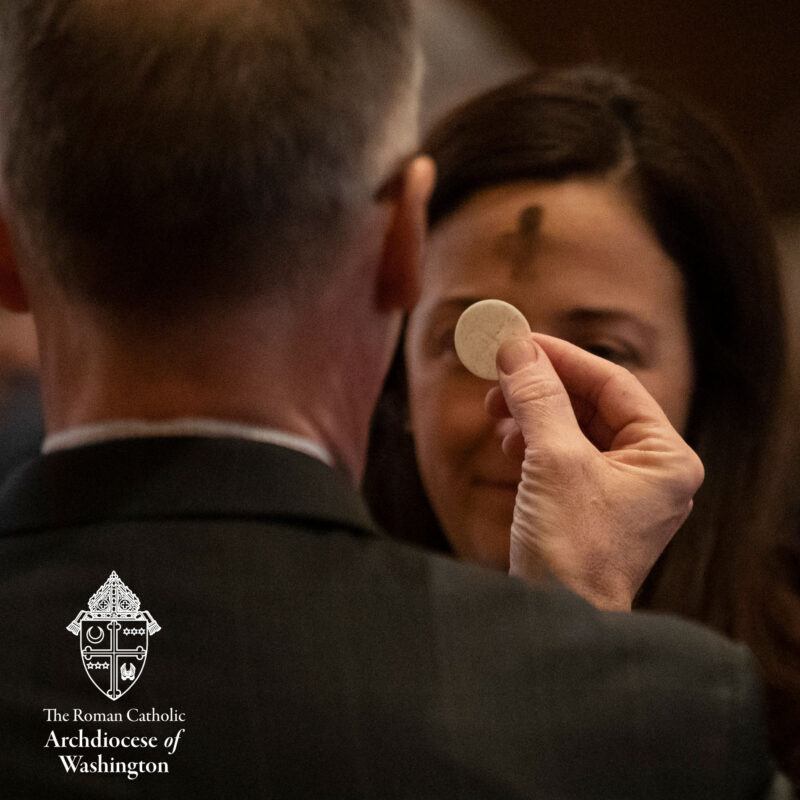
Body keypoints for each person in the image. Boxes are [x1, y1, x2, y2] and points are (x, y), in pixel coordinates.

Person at [0, 4, 786, 797]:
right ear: (403, 249)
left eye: (607, 350)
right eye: (461, 340)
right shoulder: (667, 715)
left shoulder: (716, 704)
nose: (527, 413)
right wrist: (576, 662)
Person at [364, 65, 799, 783]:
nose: (534, 430)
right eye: (466, 341)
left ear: (712, 386)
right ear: (393, 380)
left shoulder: (772, 717)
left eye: (600, 351)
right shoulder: (315, 677)